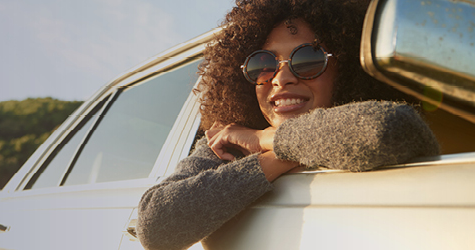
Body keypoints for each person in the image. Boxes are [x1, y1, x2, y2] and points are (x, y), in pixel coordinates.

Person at [134, 0, 442, 249]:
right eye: (263, 64)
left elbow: (387, 129)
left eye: (308, 59)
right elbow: (155, 226)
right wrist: (275, 157)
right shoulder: (226, 144)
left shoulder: (247, 137)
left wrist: (265, 139)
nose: (281, 78)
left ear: (345, 66)